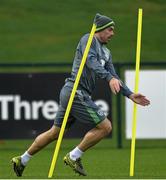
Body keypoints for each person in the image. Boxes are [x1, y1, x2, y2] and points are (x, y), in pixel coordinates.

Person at [11, 13, 150, 177]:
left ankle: (22, 159)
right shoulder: (88, 39)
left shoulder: (107, 53)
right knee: (106, 127)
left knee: (54, 133)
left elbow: (114, 76)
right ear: (100, 29)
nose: (113, 33)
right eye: (110, 30)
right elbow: (90, 61)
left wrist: (130, 94)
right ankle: (73, 156)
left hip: (73, 93)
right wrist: (108, 77)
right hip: (76, 91)